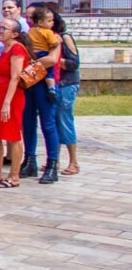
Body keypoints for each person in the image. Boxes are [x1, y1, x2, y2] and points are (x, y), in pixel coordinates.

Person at [0, 18, 31, 188]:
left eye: (4, 28)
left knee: (13, 135)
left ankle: (14, 176)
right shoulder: (5, 48)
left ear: (15, 33)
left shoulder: (17, 49)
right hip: (1, 94)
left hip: (12, 97)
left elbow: (15, 77)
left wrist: (7, 103)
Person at [21, 4, 63, 184]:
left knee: (48, 124)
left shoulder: (53, 37)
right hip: (30, 82)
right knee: (28, 122)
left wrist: (32, 63)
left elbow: (51, 60)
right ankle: (29, 159)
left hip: (44, 83)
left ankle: (52, 163)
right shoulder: (29, 35)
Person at [55, 16, 80, 176]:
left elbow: (73, 63)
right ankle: (54, 160)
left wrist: (54, 58)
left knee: (65, 121)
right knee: (53, 123)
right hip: (53, 85)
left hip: (66, 84)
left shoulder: (65, 38)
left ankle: (73, 162)